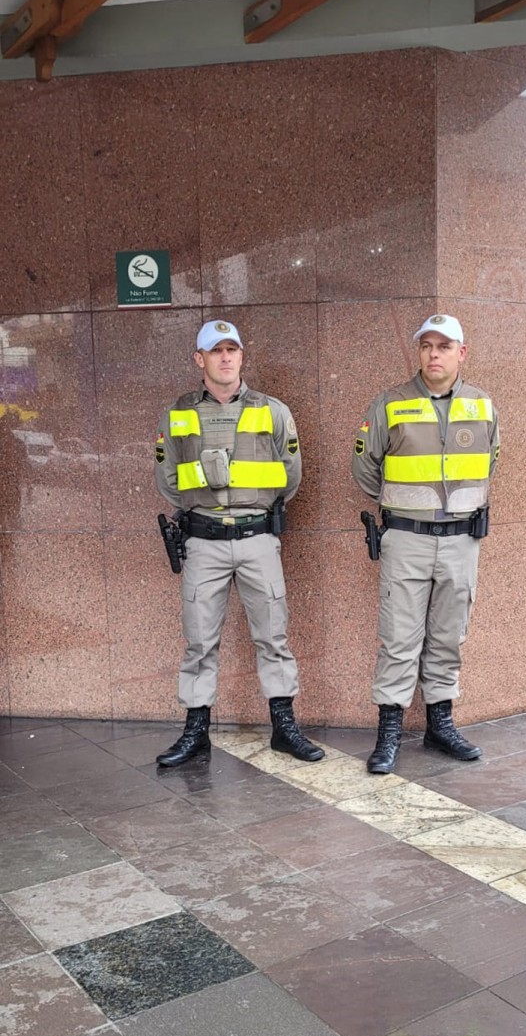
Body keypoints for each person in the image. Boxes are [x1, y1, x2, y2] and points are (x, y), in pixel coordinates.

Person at [155, 319, 324, 768]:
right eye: (216, 351)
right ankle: (196, 732)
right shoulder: (180, 412)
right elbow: (168, 479)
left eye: (232, 349)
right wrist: (208, 508)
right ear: (200, 359)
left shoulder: (274, 411)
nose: (225, 358)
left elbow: (291, 476)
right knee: (199, 640)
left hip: (256, 538)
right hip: (204, 539)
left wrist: (253, 508)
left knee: (273, 636)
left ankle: (284, 726)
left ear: (242, 356)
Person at [352, 313, 499, 774]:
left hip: (461, 541)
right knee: (398, 639)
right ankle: (390, 732)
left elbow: (490, 460)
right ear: (419, 352)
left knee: (448, 637)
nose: (434, 354)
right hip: (407, 539)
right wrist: (403, 504)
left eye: (444, 346)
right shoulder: (390, 404)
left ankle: (440, 724)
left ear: (461, 352)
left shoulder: (482, 405)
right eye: (426, 346)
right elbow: (364, 467)